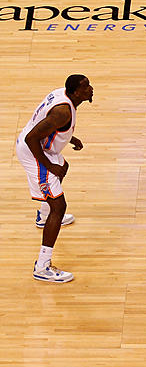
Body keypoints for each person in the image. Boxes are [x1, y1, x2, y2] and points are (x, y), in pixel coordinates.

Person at [15, 74, 94, 283]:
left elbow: (46, 125)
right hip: (34, 152)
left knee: (63, 166)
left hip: (40, 147)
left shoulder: (63, 96)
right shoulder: (62, 112)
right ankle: (42, 267)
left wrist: (69, 138)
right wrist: (48, 165)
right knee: (59, 207)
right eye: (86, 87)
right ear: (76, 92)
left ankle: (43, 216)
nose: (91, 89)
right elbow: (32, 137)